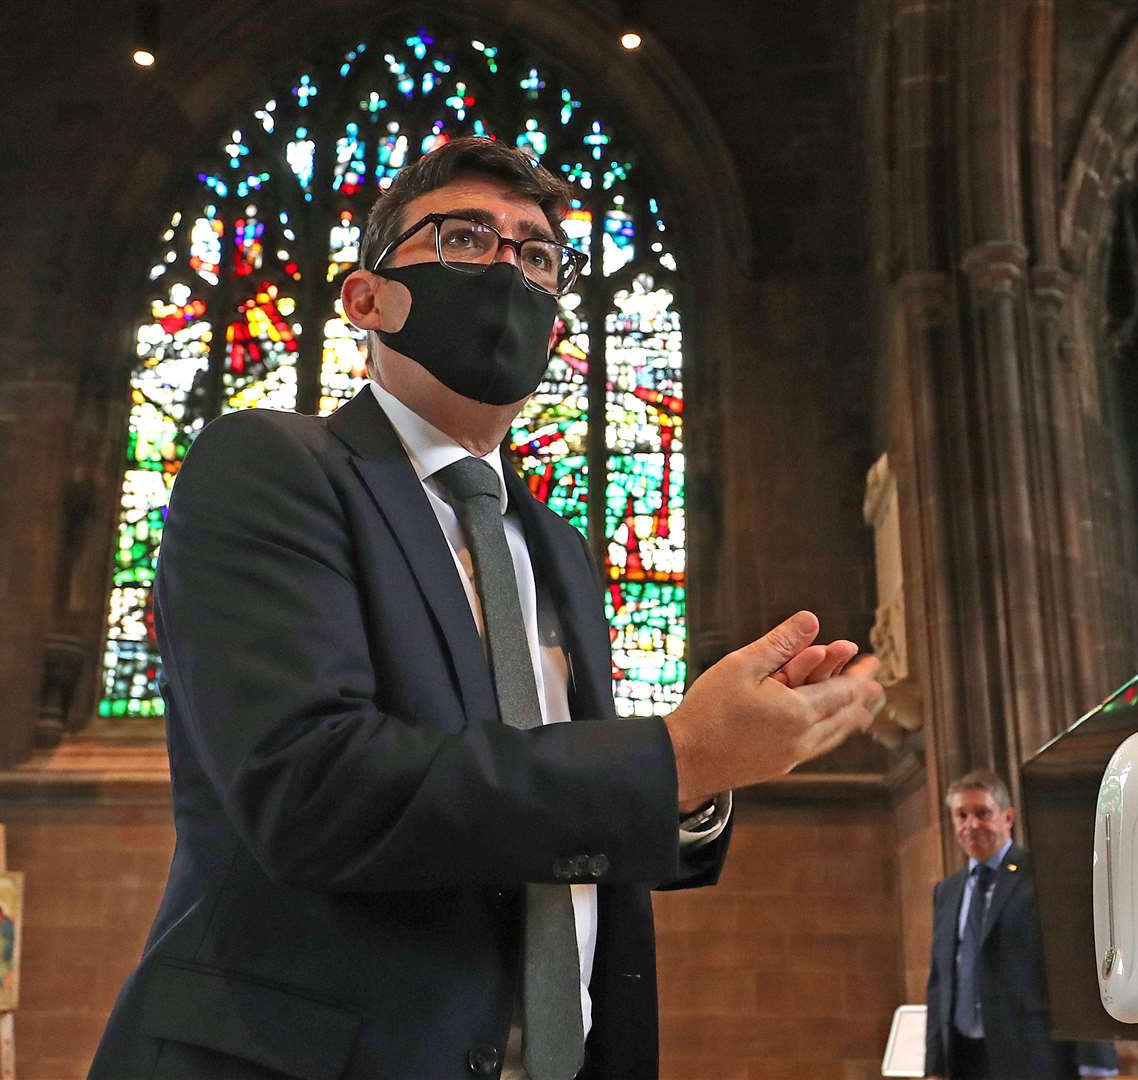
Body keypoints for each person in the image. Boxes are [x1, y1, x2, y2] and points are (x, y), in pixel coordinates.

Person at [92, 136, 883, 1080]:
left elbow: (568, 826)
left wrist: (702, 790)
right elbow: (311, 788)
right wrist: (674, 757)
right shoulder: (270, 467)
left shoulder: (561, 551)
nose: (511, 269)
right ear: (367, 297)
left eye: (539, 255)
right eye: (467, 241)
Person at [924, 770, 1116, 1080]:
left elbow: (1076, 968)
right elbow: (939, 982)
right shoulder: (946, 892)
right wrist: (934, 1066)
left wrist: (1095, 1060)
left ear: (1008, 817)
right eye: (961, 816)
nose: (971, 825)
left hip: (1032, 1057)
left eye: (983, 813)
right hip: (963, 1060)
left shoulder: (1043, 876)